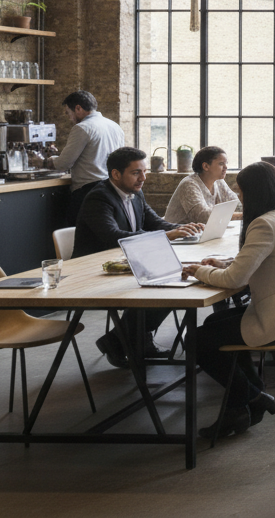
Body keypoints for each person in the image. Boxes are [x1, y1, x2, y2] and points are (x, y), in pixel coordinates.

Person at [181, 162, 275, 440]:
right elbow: (267, 258)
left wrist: (200, 270)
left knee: (197, 339)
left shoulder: (264, 224)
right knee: (215, 322)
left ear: (253, 192)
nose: (237, 193)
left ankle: (251, 397)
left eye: (241, 189)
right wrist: (226, 262)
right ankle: (246, 403)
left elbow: (235, 280)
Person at [72, 146, 202, 368]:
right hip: (96, 270)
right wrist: (166, 234)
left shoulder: (136, 193)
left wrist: (185, 228)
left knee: (172, 283)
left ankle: (121, 340)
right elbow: (112, 237)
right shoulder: (99, 197)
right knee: (163, 286)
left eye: (144, 171)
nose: (143, 178)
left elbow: (155, 223)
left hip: (129, 263)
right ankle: (126, 340)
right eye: (136, 172)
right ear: (115, 174)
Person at [49, 90, 126, 226]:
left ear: (78, 108)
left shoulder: (82, 128)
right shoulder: (115, 126)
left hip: (87, 191)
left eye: (68, 113)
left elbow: (63, 164)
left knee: (81, 234)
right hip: (112, 188)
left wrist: (46, 161)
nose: (69, 118)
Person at [164, 145, 239, 224]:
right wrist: (240, 215)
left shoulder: (218, 181)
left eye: (226, 163)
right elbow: (202, 217)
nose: (226, 167)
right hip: (177, 233)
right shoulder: (189, 184)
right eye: (221, 164)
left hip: (200, 232)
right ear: (206, 166)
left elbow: (236, 204)